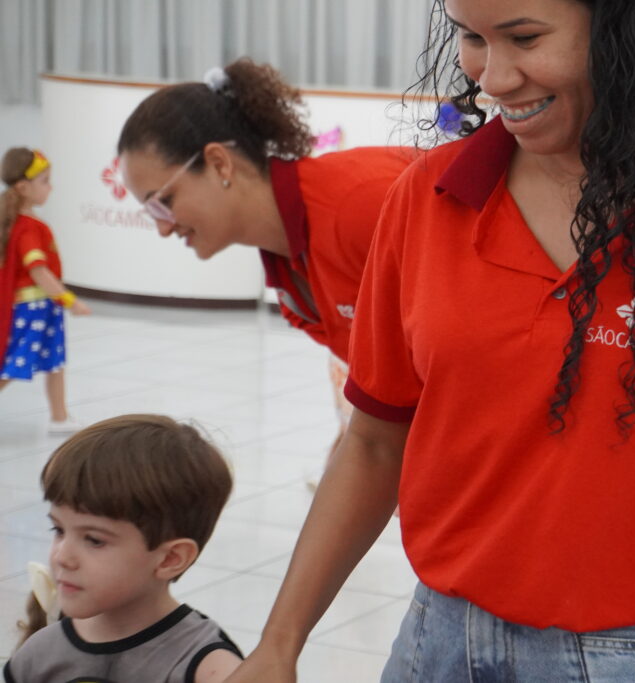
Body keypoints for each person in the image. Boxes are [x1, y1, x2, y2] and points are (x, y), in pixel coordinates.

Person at [228, 1, 635, 681]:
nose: (492, 78)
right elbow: (372, 443)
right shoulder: (428, 198)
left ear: (628, 30)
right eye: (471, 38)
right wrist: (280, 642)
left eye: (524, 38)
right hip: (442, 638)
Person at [117, 59, 416, 467]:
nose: (163, 229)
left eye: (161, 204)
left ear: (219, 163)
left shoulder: (360, 205)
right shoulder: (292, 280)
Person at [4, 414, 242, 683]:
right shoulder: (40, 654)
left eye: (94, 540)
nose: (62, 557)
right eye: (58, 530)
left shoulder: (210, 669)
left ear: (170, 558)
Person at [0, 147, 91, 434]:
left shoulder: (25, 224)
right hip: (33, 308)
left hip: (43, 308)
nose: (50, 187)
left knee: (55, 361)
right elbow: (38, 271)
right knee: (15, 363)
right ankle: (59, 417)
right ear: (23, 188)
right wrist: (68, 299)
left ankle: (59, 417)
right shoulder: (28, 228)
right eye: (45, 181)